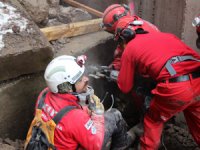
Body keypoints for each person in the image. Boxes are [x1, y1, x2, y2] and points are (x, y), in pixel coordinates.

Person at [114, 15, 200, 149]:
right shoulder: (167, 36)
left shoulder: (130, 48)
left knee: (152, 120)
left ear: (125, 36)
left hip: (177, 88)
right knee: (197, 119)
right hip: (198, 80)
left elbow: (125, 87)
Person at [28, 55, 136, 150]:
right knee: (115, 115)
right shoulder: (76, 117)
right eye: (80, 80)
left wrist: (85, 111)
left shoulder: (44, 94)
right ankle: (122, 146)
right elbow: (96, 146)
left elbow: (62, 118)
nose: (86, 79)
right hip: (81, 141)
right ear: (68, 87)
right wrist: (97, 115)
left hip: (45, 142)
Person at [101, 4, 159, 126]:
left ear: (112, 25)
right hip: (166, 68)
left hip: (153, 74)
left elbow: (126, 84)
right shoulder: (140, 23)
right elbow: (122, 52)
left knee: (138, 92)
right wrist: (116, 65)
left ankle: (143, 121)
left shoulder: (125, 32)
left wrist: (118, 74)